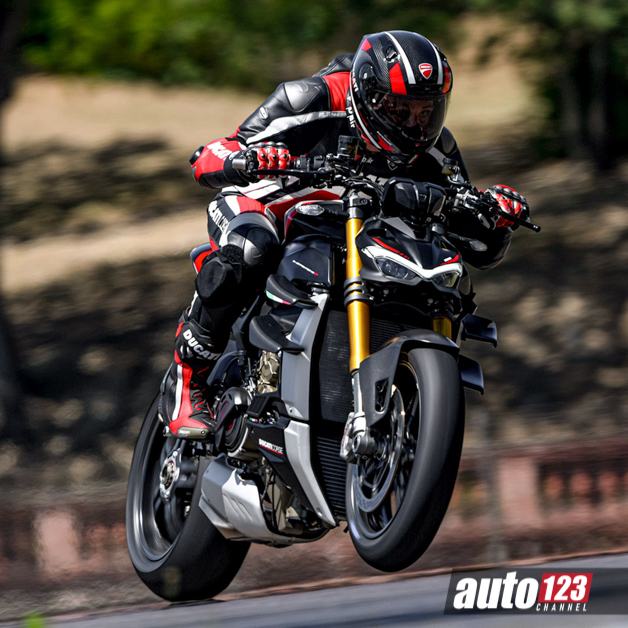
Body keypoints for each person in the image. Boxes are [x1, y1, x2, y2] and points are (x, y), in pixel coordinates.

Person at [158, 30, 528, 439]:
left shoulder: (439, 149)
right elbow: (211, 155)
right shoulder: (308, 99)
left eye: (427, 111)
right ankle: (187, 382)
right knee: (250, 250)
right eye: (400, 109)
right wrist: (248, 159)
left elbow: (478, 247)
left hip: (351, 224)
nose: (415, 125)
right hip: (269, 201)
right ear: (369, 95)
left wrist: (497, 218)